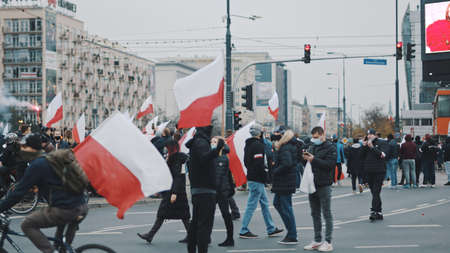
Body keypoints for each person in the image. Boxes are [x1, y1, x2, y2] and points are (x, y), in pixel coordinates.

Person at [0, 133, 88, 253]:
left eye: (24, 147)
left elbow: (18, 194)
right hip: (80, 205)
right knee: (62, 246)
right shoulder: (50, 159)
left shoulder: (37, 165)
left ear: (31, 149)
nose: (21, 150)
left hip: (65, 208)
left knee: (27, 224)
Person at [137, 140, 190, 244]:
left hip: (174, 191)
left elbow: (177, 177)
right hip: (175, 191)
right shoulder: (175, 158)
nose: (166, 149)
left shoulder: (177, 159)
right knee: (178, 215)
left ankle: (150, 235)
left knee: (166, 214)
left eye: (167, 148)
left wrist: (174, 193)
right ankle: (150, 235)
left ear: (171, 148)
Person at [239, 123, 283, 239]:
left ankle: (271, 228)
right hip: (257, 178)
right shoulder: (258, 146)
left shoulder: (248, 145)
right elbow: (259, 164)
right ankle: (243, 229)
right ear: (259, 133)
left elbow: (247, 162)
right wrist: (266, 178)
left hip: (252, 177)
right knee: (252, 205)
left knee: (264, 203)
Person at [185, 126, 222, 253]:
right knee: (203, 226)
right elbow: (204, 158)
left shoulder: (198, 141)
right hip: (205, 189)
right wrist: (216, 150)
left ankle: (192, 250)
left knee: (196, 224)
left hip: (200, 189)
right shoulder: (201, 142)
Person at [303, 126, 336, 252]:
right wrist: (304, 158)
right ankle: (317, 240)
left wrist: (313, 159)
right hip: (312, 183)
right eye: (313, 137)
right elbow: (308, 164)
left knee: (326, 213)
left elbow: (329, 165)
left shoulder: (330, 148)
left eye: (316, 137)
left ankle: (328, 241)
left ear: (323, 135)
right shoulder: (313, 146)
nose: (314, 139)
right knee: (314, 213)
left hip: (324, 183)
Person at [272, 130, 298, 245]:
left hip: (284, 181)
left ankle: (292, 234)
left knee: (285, 207)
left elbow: (287, 164)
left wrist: (275, 171)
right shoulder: (290, 147)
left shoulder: (286, 148)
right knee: (278, 204)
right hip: (285, 180)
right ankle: (291, 232)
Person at [212, 136, 235, 247]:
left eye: (215, 142)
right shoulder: (215, 156)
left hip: (220, 191)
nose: (212, 143)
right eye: (211, 141)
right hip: (218, 190)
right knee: (208, 214)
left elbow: (219, 176)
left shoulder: (222, 158)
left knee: (225, 214)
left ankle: (230, 238)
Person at [361, 129, 388, 221]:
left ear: (375, 135)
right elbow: (361, 157)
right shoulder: (366, 145)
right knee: (374, 192)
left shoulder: (382, 143)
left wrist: (372, 147)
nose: (369, 136)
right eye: (368, 135)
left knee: (376, 191)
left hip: (379, 171)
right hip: (369, 171)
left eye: (371, 134)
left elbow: (382, 155)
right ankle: (379, 212)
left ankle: (373, 211)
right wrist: (363, 146)